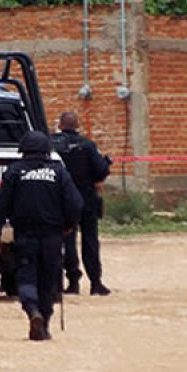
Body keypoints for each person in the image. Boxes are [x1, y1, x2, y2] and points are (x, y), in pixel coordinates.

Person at [0, 130, 83, 341]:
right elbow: (75, 204)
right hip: (52, 237)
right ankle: (45, 324)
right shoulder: (59, 173)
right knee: (48, 281)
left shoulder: (14, 172)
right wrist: (68, 225)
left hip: (25, 237)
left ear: (23, 151)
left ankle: (32, 311)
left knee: (26, 277)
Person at [51, 112, 112, 296]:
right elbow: (100, 171)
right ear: (77, 126)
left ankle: (73, 282)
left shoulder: (53, 145)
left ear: (60, 126)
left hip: (64, 199)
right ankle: (95, 282)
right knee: (90, 240)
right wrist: (106, 164)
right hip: (86, 198)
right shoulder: (87, 145)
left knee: (67, 240)